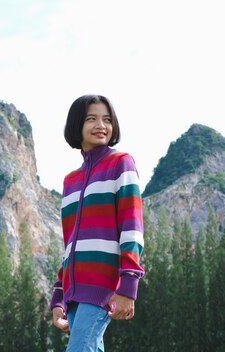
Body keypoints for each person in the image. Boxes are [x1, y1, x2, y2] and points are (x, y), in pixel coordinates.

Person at [49, 94, 145, 351]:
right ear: (77, 125)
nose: (101, 125)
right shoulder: (70, 181)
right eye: (91, 119)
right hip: (74, 290)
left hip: (103, 283)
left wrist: (128, 285)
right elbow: (69, 246)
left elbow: (132, 227)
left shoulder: (121, 163)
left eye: (107, 119)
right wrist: (59, 297)